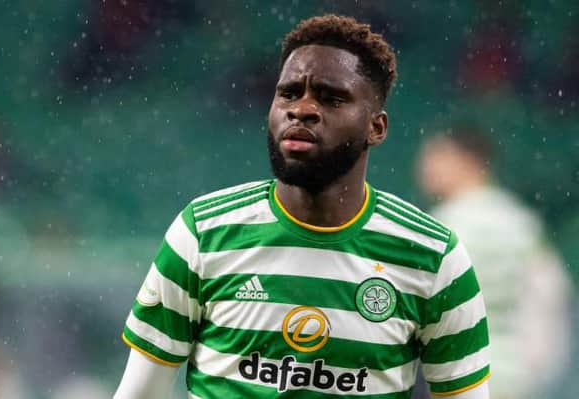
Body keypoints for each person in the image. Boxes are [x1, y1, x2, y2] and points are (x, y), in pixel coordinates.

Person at [114, 15, 490, 398]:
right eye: (289, 93)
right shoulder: (203, 232)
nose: (303, 109)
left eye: (331, 97)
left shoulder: (433, 256)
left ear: (375, 128)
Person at [417, 128, 571, 399]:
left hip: (458, 374)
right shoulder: (521, 221)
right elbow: (552, 295)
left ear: (468, 161)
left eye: (436, 157)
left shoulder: (442, 226)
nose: (425, 168)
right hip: (513, 376)